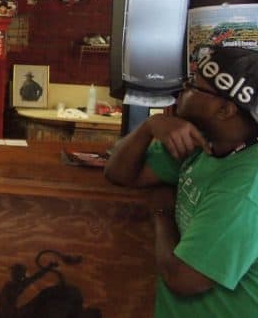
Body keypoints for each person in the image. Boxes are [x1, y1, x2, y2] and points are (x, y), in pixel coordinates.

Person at [104, 46, 258, 317]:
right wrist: (149, 128)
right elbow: (119, 173)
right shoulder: (203, 141)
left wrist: (161, 211)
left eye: (193, 87)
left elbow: (183, 279)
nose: (182, 90)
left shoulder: (245, 187)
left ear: (225, 110)